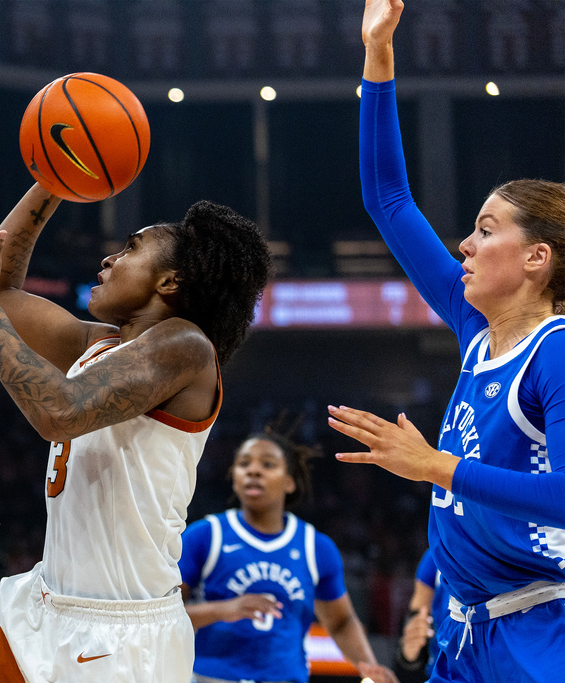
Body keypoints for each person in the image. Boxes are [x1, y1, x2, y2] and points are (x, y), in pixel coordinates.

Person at [0, 184, 272, 682]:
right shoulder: (100, 343)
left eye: (130, 248)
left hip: (122, 635)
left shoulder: (185, 346)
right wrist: (53, 181)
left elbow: (58, 412)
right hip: (40, 600)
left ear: (170, 281)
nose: (108, 258)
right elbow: (0, 293)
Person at [328, 0, 565, 680]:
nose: (464, 242)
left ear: (536, 258)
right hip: (463, 634)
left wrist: (436, 465)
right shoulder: (473, 328)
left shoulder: (554, 351)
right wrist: (378, 53)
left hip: (537, 631)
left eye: (487, 230)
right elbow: (387, 198)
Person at [178, 429, 396, 683]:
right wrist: (222, 609)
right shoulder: (205, 535)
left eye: (268, 464)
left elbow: (340, 622)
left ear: (289, 482)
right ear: (234, 477)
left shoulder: (316, 547)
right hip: (210, 677)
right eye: (244, 464)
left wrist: (370, 667)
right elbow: (165, 614)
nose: (254, 471)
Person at [392, 549, 446, 683]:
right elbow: (413, 628)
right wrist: (409, 653)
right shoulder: (436, 556)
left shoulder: (501, 546)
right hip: (444, 673)